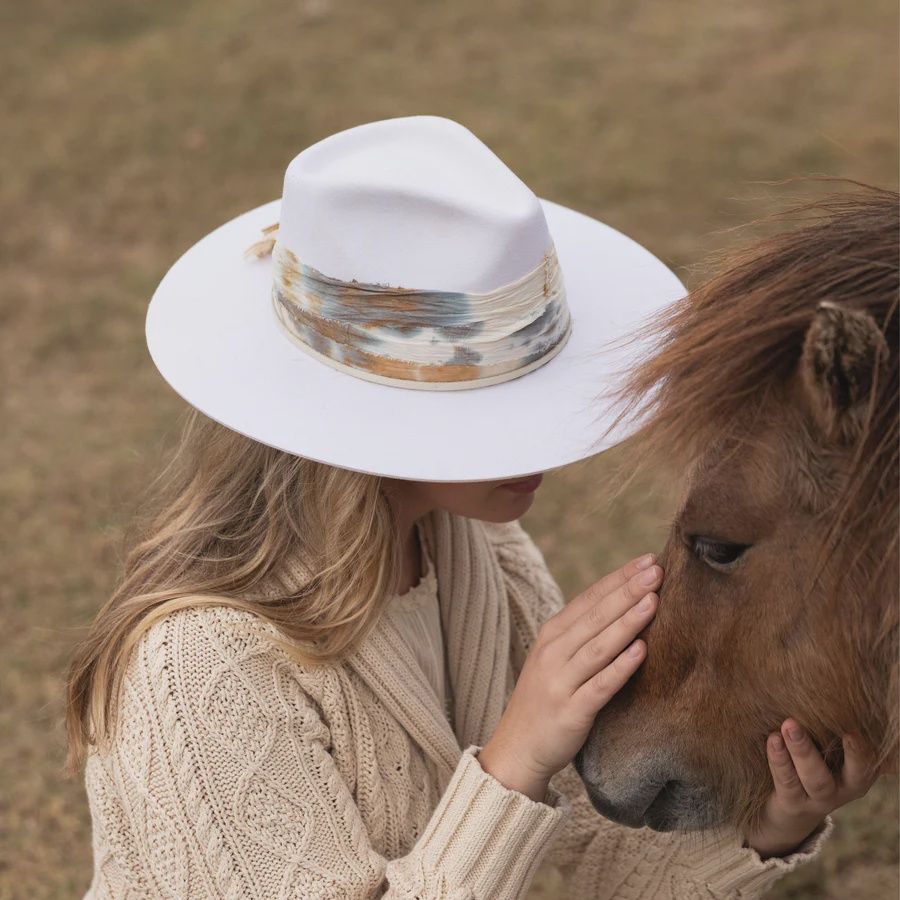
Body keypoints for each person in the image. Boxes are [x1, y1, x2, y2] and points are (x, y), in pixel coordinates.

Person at [67, 117, 864, 899]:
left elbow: (589, 860)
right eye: (500, 404)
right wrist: (513, 761)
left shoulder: (480, 557)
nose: (549, 441)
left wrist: (772, 828)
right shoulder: (199, 666)